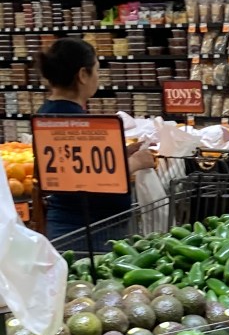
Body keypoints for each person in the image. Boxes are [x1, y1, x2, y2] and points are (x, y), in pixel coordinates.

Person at [35, 38, 154, 250]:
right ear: (82, 75)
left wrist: (122, 153)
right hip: (90, 232)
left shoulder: (48, 115)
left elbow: (73, 166)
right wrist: (135, 162)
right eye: (97, 71)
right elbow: (92, 178)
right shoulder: (75, 121)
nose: (97, 78)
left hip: (70, 225)